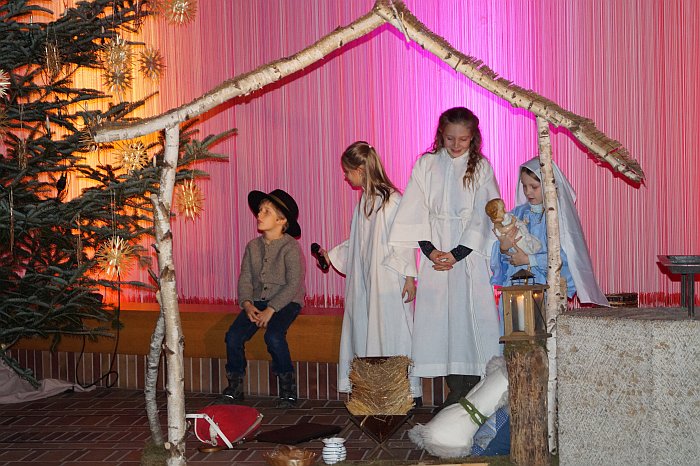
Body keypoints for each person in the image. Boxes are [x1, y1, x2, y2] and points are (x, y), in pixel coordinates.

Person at [388, 107, 502, 410]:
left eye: (463, 139)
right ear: (441, 134)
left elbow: (484, 214)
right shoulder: (427, 164)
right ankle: (455, 389)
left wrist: (458, 253)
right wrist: (430, 250)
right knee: (440, 324)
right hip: (435, 257)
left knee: (468, 321)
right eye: (450, 138)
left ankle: (470, 390)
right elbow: (415, 209)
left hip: (468, 258)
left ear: (473, 138)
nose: (456, 145)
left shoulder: (481, 168)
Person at [320, 141, 422, 402]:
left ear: (360, 170)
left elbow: (405, 240)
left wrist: (409, 278)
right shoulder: (365, 201)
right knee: (366, 331)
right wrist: (331, 256)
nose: (346, 177)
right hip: (366, 283)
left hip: (387, 282)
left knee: (389, 331)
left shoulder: (391, 201)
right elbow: (359, 243)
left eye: (347, 171)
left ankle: (399, 391)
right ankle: (374, 391)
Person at [223, 189, 305, 408]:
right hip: (257, 301)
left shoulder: (290, 247)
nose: (259, 214)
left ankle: (287, 389)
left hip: (286, 301)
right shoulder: (253, 247)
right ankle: (235, 385)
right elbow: (245, 278)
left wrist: (272, 309)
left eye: (266, 211)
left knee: (274, 336)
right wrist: (247, 304)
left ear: (281, 220)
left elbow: (294, 284)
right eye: (260, 210)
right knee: (233, 336)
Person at [490, 157, 609, 308]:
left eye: (534, 187)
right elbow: (501, 255)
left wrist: (529, 259)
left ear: (548, 185)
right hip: (515, 286)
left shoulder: (557, 218)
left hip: (544, 288)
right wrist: (503, 248)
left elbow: (564, 257)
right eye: (524, 186)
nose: (528, 192)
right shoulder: (516, 214)